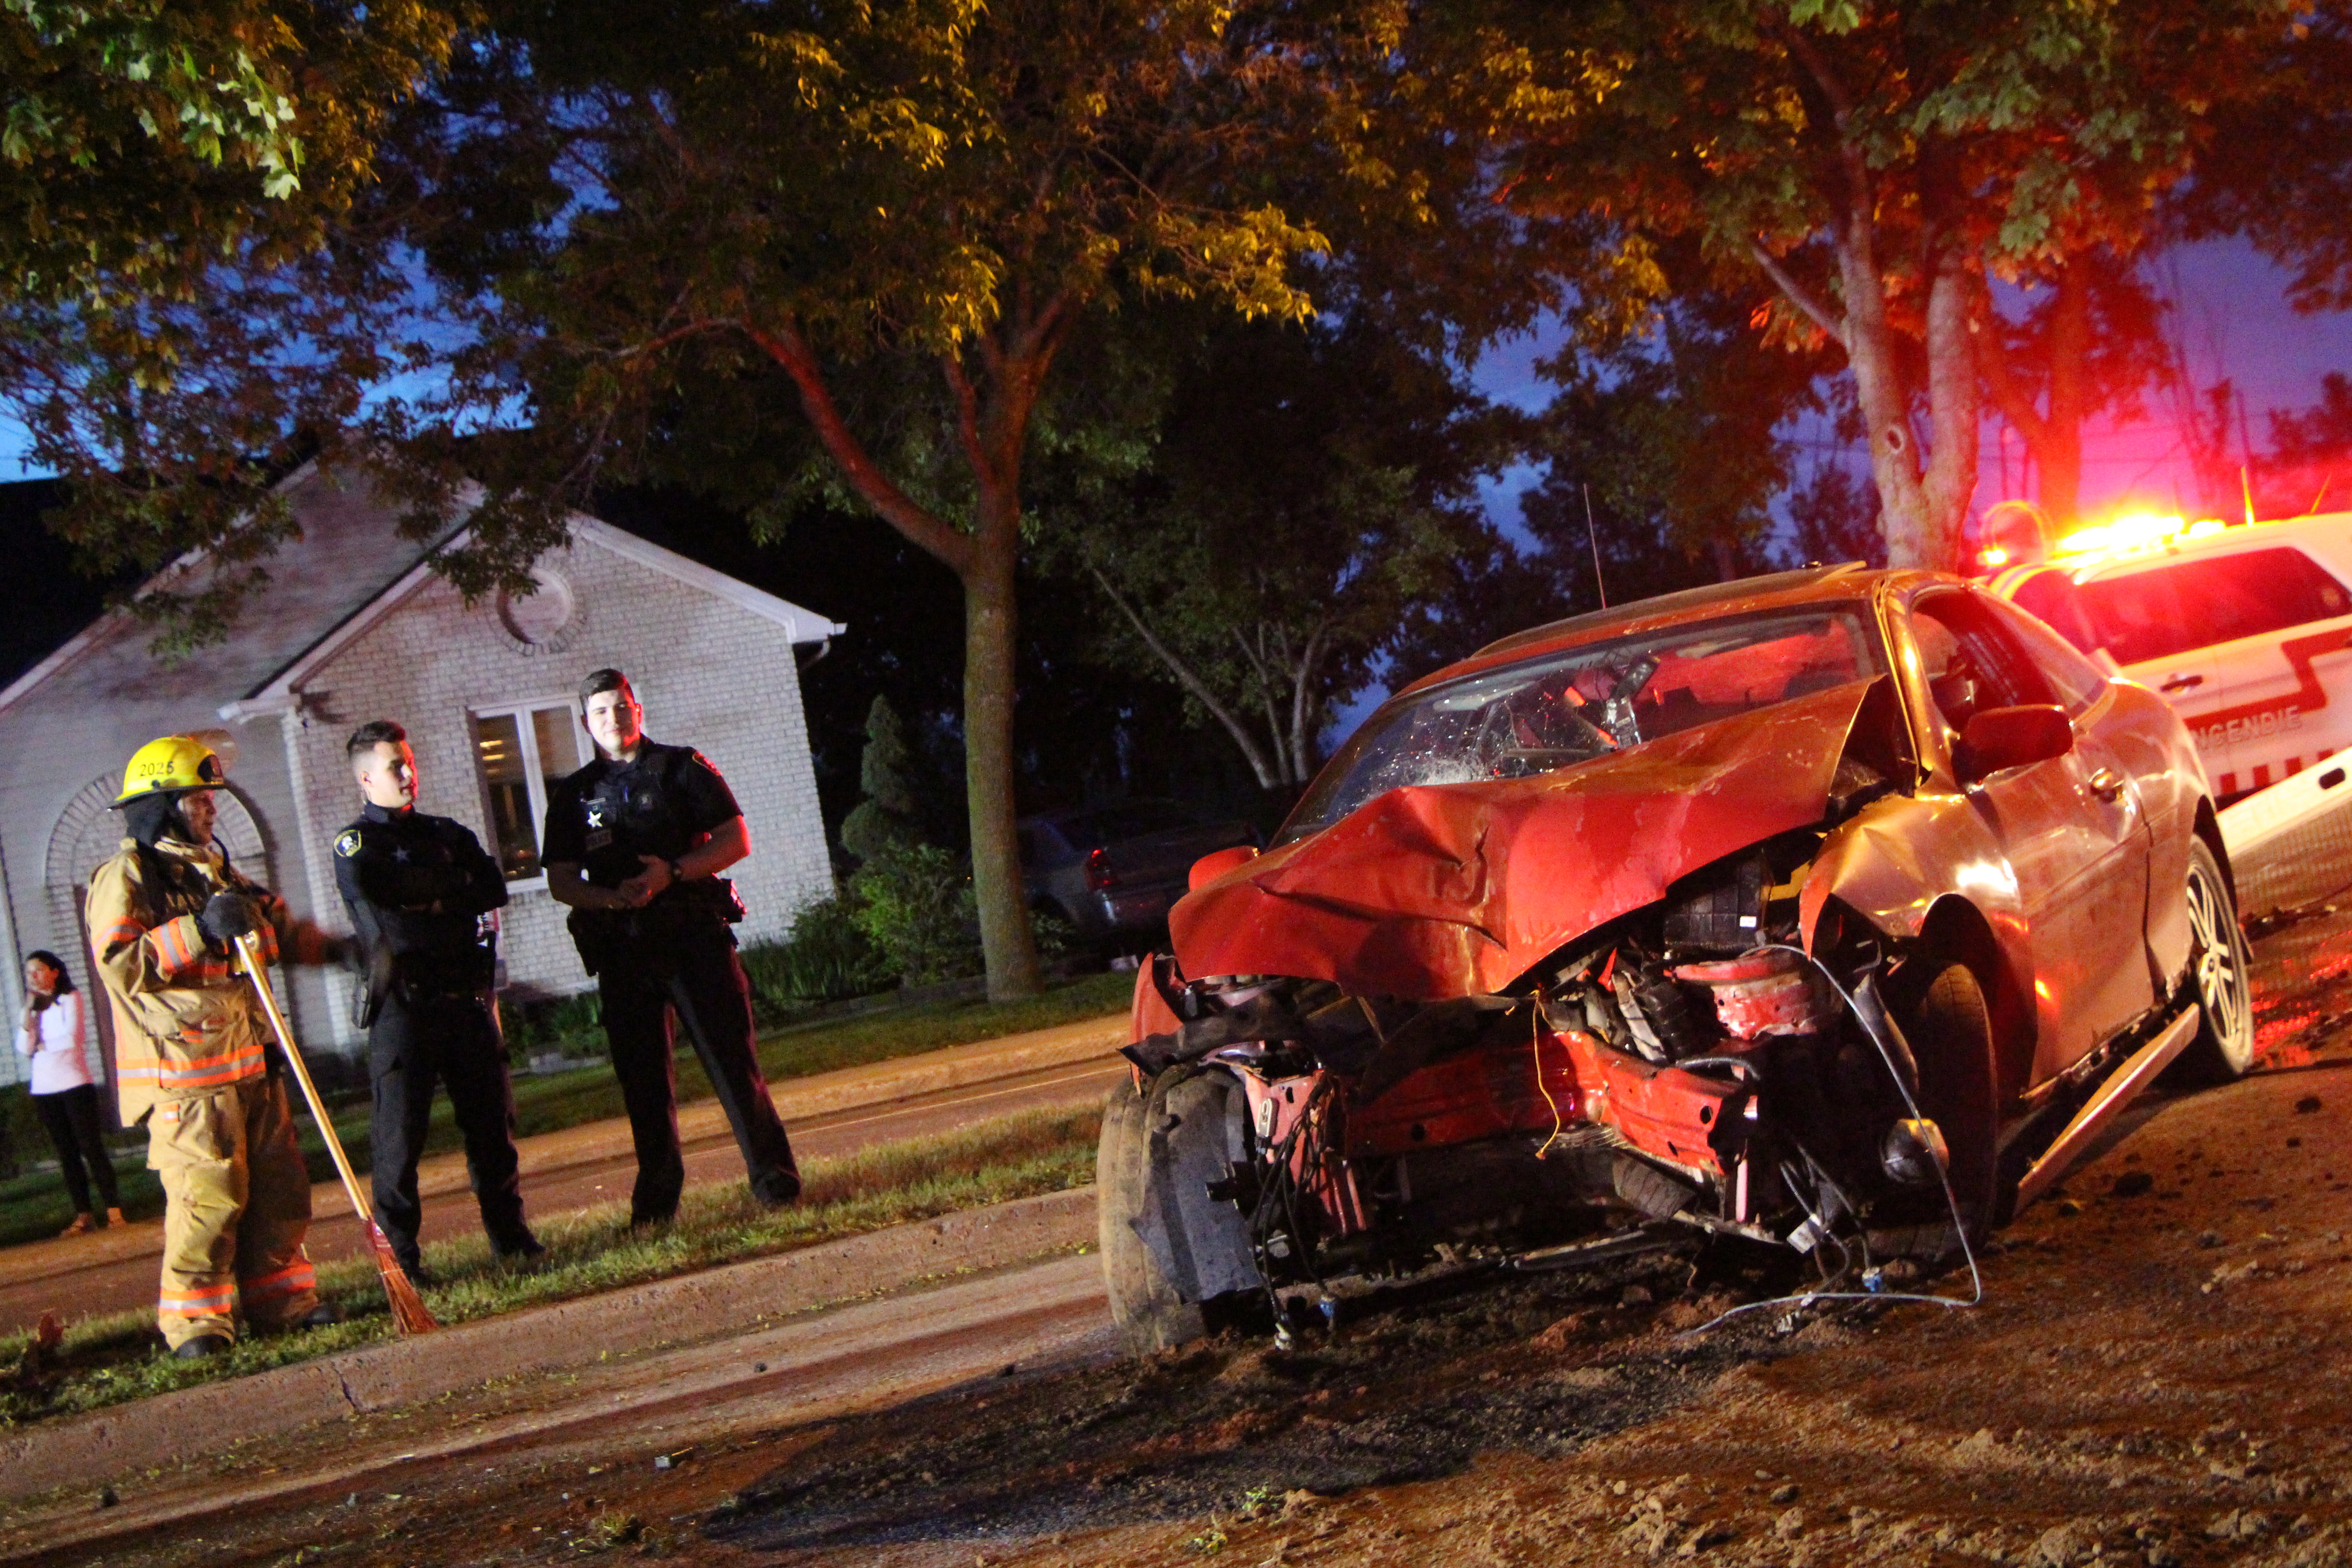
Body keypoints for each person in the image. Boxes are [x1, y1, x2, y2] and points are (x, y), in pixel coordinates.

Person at [85, 733, 341, 1357]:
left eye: (211, 799)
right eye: (200, 799)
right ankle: (197, 1326)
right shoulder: (128, 877)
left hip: (252, 1067)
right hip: (187, 1080)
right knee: (209, 1203)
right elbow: (121, 965)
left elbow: (273, 927)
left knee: (280, 1195)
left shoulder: (215, 872)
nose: (212, 810)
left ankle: (283, 1304)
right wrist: (198, 930)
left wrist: (342, 953)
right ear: (164, 804)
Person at [542, 669, 799, 1225]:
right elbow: (561, 879)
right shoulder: (574, 795)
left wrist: (673, 873)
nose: (614, 719)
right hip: (623, 949)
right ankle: (656, 1206)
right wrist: (610, 899)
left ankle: (775, 1182)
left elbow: (736, 839)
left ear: (639, 710)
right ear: (587, 724)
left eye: (622, 707)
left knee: (734, 1063)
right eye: (602, 712)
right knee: (643, 1082)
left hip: (693, 936)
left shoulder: (682, 768)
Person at [335, 720, 541, 1282]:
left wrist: (431, 897)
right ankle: (401, 1263)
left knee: (491, 1132)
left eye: (408, 761)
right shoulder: (356, 845)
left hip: (465, 1001)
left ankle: (513, 1240)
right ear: (365, 779)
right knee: (399, 1144)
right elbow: (388, 912)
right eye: (394, 767)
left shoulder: (447, 832)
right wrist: (447, 891)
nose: (407, 774)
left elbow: (491, 888)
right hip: (406, 1008)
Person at [15, 951, 125, 1235]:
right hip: (44, 1088)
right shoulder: (35, 1009)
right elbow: (24, 1047)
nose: (33, 977)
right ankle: (83, 1214)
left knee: (92, 1147)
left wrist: (43, 1046)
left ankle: (114, 1211)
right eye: (29, 973)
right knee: (67, 1153)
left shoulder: (70, 998)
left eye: (38, 970)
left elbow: (72, 1038)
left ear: (54, 972)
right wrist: (28, 1011)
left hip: (75, 1083)